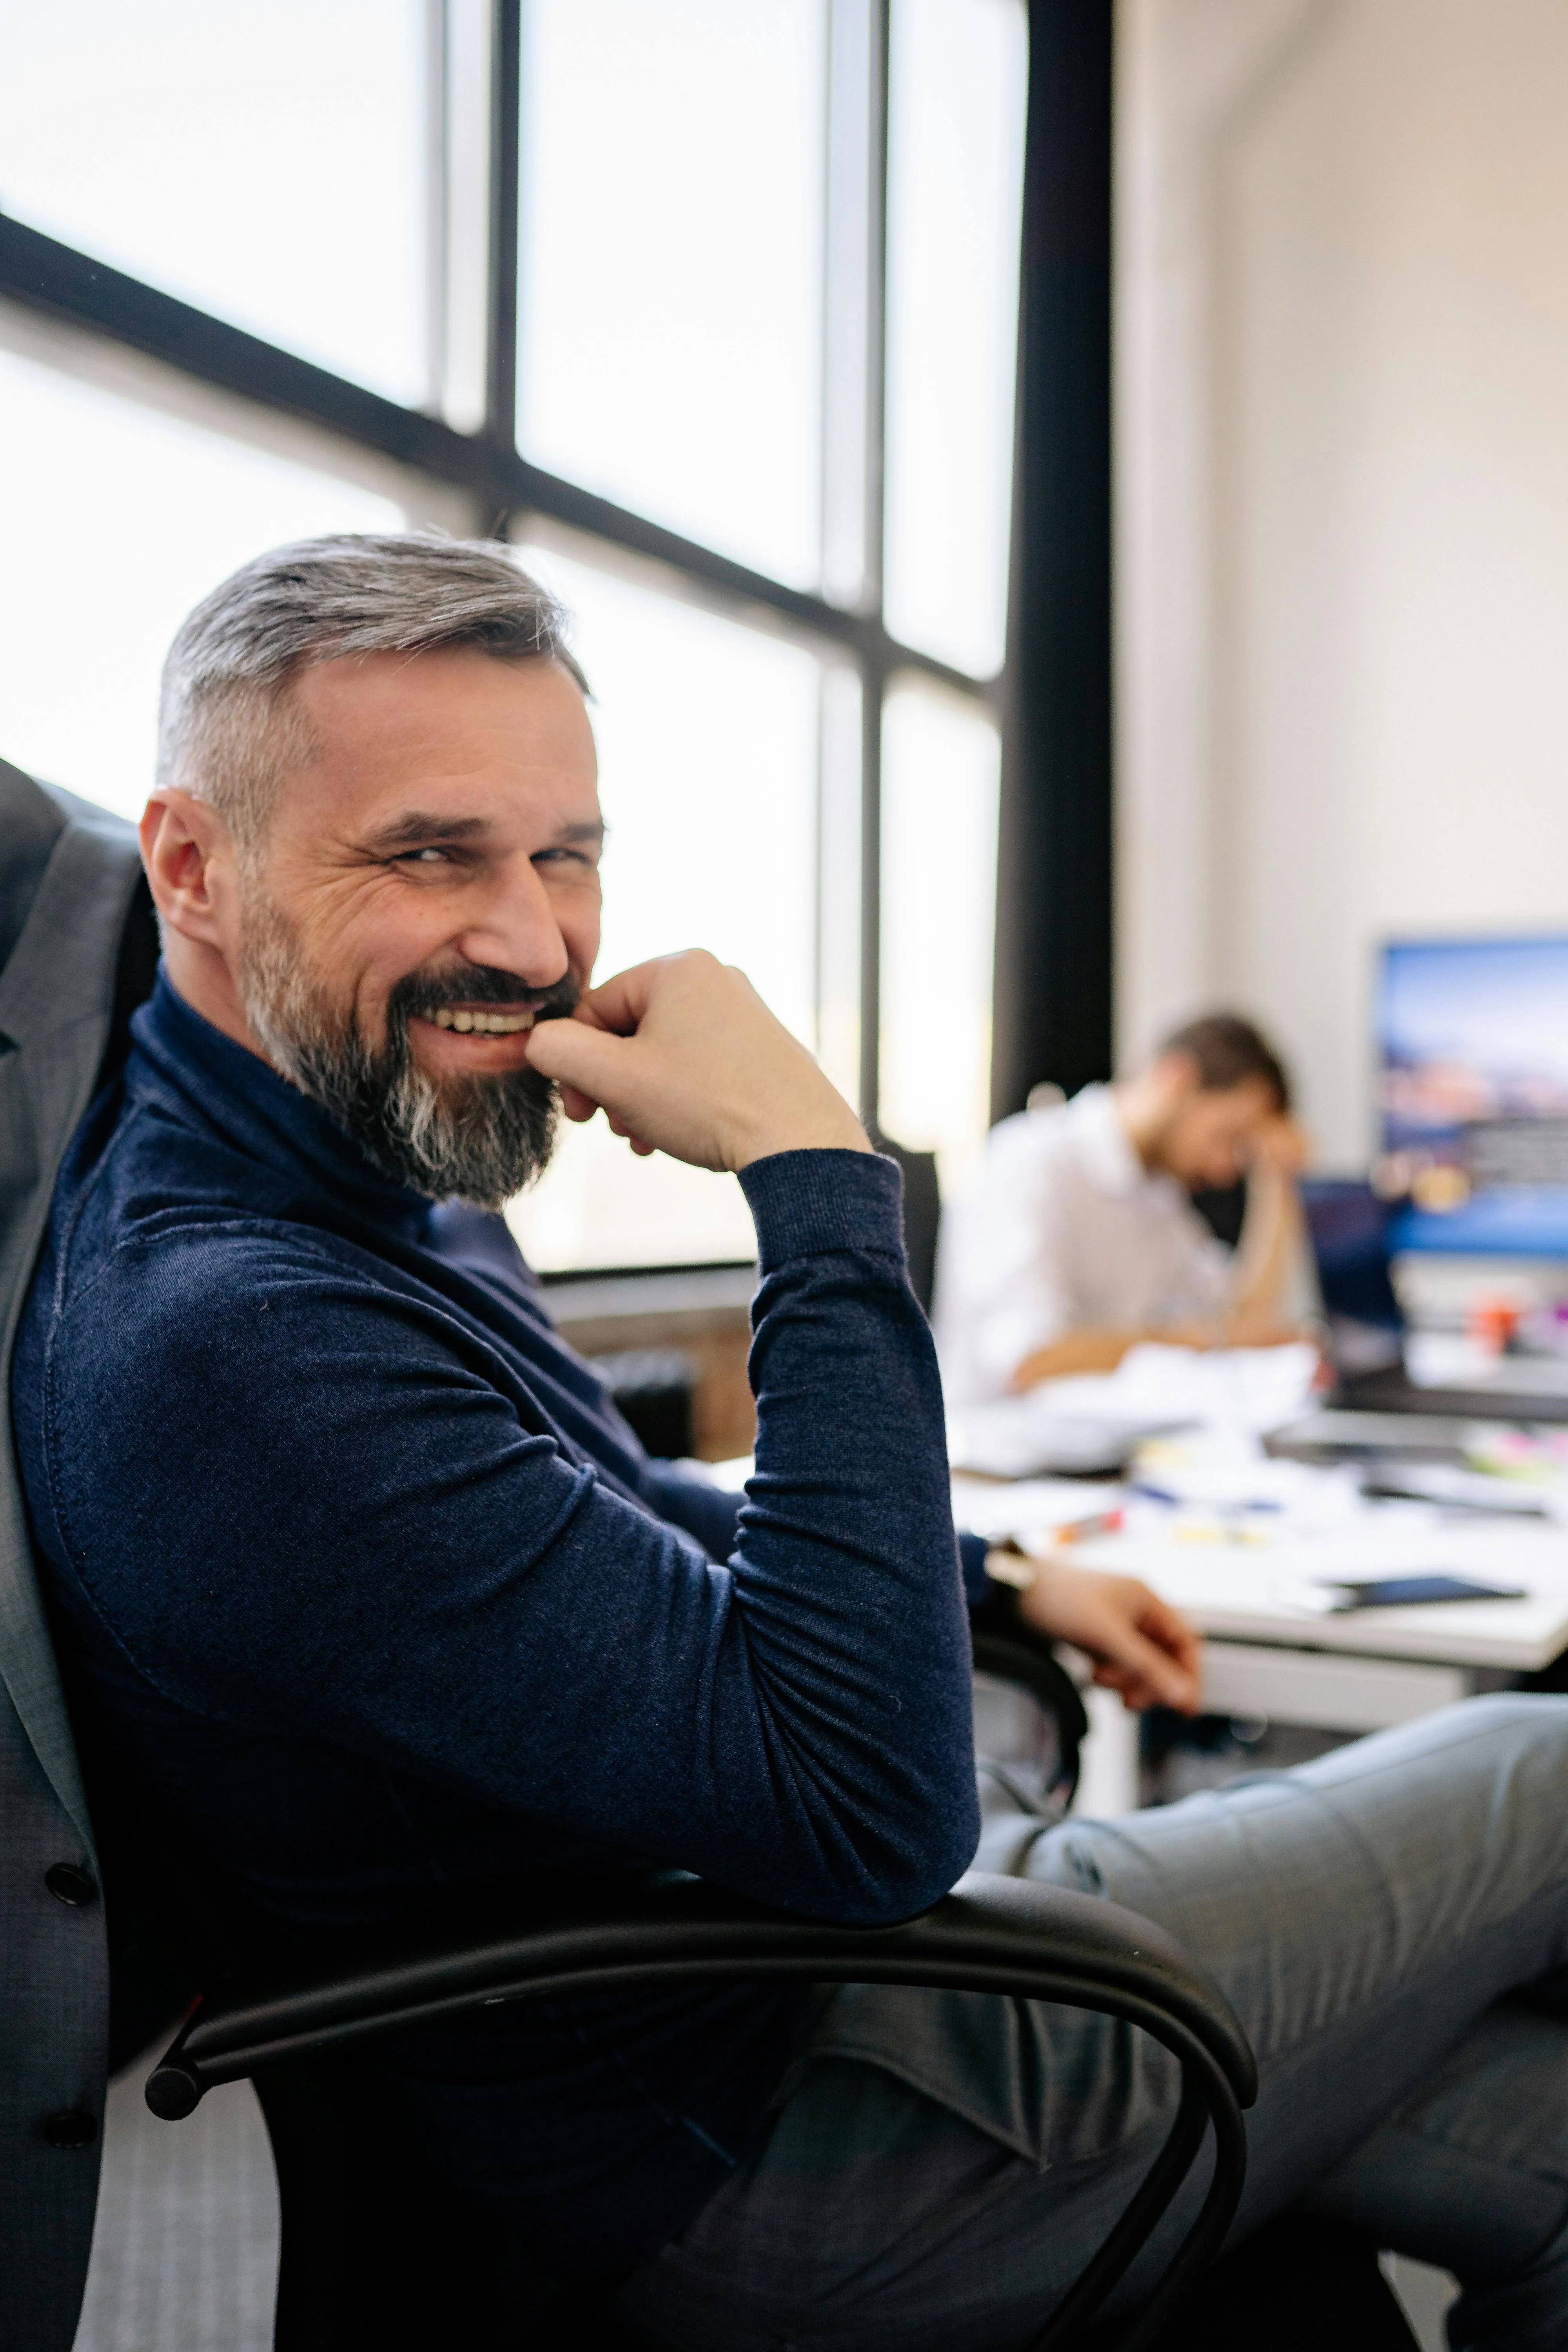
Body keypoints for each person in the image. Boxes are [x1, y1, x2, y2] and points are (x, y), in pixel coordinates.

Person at [15, 535, 1568, 2352]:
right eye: (428, 851)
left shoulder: (371, 1176)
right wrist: (813, 1180)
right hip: (783, 2138)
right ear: (191, 866)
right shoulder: (234, 1341)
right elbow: (869, 1812)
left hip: (802, 1999)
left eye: (563, 851)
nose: (528, 937)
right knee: (1540, 1763)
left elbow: (602, 1513)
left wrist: (998, 1570)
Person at [934, 1018, 1310, 1406]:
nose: (1223, 1170)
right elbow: (1027, 1361)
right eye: (1227, 1137)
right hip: (995, 1457)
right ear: (1176, 1078)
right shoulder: (1027, 1162)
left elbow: (1239, 1322)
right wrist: (1199, 1343)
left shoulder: (1160, 1196)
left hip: (1108, 1458)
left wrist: (1277, 1182)